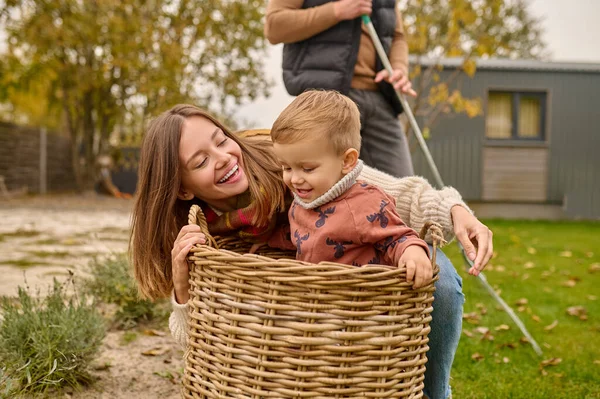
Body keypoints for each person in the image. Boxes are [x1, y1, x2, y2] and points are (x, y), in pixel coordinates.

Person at [130, 104, 493, 399]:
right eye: (200, 162)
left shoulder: (287, 163)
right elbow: (196, 338)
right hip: (313, 301)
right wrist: (183, 287)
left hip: (374, 249)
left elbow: (394, 194)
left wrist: (455, 212)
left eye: (221, 140)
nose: (224, 157)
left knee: (440, 285)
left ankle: (434, 392)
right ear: (181, 190)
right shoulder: (200, 231)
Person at [271, 90, 433, 287]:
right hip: (314, 299)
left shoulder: (365, 203)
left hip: (359, 302)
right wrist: (265, 240)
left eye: (307, 168)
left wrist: (412, 252)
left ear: (347, 161)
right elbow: (299, 237)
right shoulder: (302, 201)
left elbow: (396, 237)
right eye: (287, 167)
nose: (295, 179)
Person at [265, 0, 416, 178]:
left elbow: (397, 36)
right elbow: (274, 27)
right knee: (324, 187)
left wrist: (398, 68)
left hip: (380, 97)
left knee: (403, 188)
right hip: (326, 99)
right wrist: (337, 11)